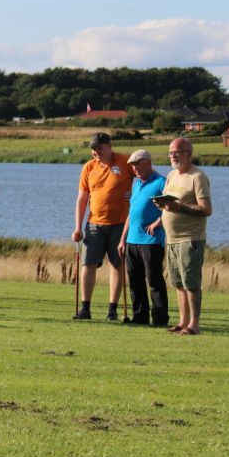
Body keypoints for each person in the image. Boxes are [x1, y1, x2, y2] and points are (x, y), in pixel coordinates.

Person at [71, 132, 133, 320]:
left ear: (109, 146)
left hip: (120, 224)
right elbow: (82, 199)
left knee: (117, 265)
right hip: (94, 224)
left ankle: (112, 310)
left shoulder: (125, 161)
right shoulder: (88, 167)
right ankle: (85, 309)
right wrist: (78, 227)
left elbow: (145, 176)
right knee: (88, 264)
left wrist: (135, 192)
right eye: (93, 148)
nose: (96, 151)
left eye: (99, 147)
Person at [154, 138, 211, 335]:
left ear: (189, 153)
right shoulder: (171, 175)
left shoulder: (198, 176)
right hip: (171, 239)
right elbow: (170, 205)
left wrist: (179, 207)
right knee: (178, 283)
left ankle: (194, 325)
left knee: (191, 283)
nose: (173, 156)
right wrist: (161, 205)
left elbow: (206, 209)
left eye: (177, 152)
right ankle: (183, 321)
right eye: (171, 152)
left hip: (190, 238)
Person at [117, 149, 168, 326]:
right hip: (132, 240)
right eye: (133, 165)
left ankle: (160, 318)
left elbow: (171, 208)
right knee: (135, 281)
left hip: (151, 240)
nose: (135, 168)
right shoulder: (137, 184)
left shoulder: (161, 182)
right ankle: (140, 317)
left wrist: (158, 222)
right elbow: (131, 214)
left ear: (148, 162)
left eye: (138, 164)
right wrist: (122, 239)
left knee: (154, 280)